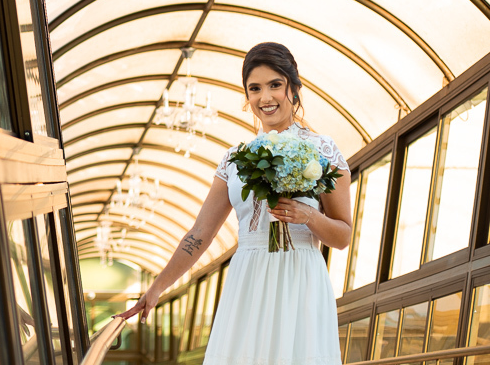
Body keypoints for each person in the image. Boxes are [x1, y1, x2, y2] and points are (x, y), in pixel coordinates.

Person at [117, 42, 353, 365]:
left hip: (301, 282)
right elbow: (200, 232)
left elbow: (343, 236)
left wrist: (308, 215)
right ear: (247, 97)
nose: (265, 98)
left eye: (275, 85)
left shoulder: (324, 151)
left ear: (294, 90)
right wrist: (156, 288)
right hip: (248, 285)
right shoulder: (235, 159)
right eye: (254, 88)